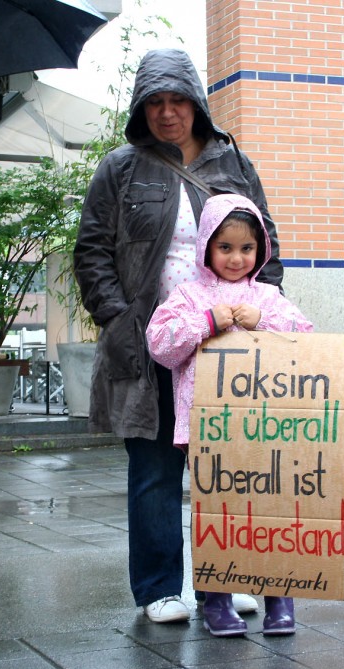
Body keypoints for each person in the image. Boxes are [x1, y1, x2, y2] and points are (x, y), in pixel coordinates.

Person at [74, 48, 283, 624]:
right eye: (156, 103)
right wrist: (118, 318)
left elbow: (267, 246)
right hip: (150, 344)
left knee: (230, 465)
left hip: (225, 345)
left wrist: (260, 311)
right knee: (153, 469)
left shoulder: (232, 163)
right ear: (142, 109)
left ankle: (230, 579)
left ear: (197, 104)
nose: (168, 113)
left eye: (178, 101)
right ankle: (160, 588)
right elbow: (91, 251)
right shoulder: (120, 167)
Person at [146, 193, 312, 636]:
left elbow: (307, 340)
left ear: (260, 251)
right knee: (217, 511)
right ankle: (217, 600)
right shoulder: (188, 295)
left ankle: (280, 595)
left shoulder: (270, 298)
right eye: (225, 247)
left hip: (267, 427)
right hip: (209, 426)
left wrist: (266, 322)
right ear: (205, 247)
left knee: (272, 508)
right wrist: (206, 320)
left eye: (247, 248)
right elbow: (160, 344)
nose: (236, 258)